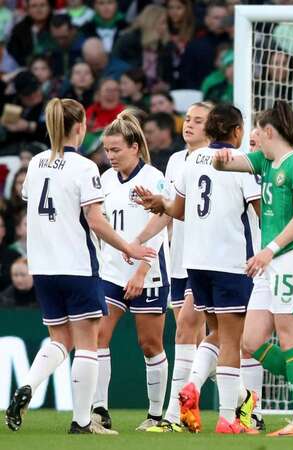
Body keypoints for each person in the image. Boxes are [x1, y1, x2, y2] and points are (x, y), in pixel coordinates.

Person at [4, 98, 154, 434]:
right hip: (77, 265)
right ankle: (83, 421)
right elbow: (95, 220)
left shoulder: (38, 163)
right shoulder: (85, 167)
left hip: (42, 267)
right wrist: (128, 245)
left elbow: (31, 202)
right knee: (88, 343)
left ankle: (27, 384)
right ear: (80, 127)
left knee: (60, 339)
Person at [135, 103, 261, 434]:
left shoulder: (191, 161)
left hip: (196, 263)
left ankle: (190, 389)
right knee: (233, 339)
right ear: (236, 131)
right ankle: (227, 417)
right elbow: (264, 213)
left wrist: (159, 203)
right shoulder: (240, 164)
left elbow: (178, 210)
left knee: (216, 333)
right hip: (232, 263)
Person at [212, 100, 293, 436]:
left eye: (258, 134)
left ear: (269, 132)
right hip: (271, 263)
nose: (254, 140)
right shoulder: (265, 162)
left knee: (291, 339)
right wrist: (220, 162)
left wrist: (269, 248)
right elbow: (230, 164)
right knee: (251, 341)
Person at [89, 110, 171, 433]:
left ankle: (154, 415)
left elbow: (164, 224)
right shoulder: (104, 181)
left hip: (147, 270)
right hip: (110, 271)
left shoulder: (154, 178)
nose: (110, 156)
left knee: (149, 344)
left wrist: (141, 269)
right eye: (107, 150)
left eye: (116, 150)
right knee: (97, 338)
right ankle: (99, 410)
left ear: (135, 147)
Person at [140, 101, 212, 433]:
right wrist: (140, 242)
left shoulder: (221, 162)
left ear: (212, 128)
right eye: (188, 119)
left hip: (209, 261)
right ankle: (244, 403)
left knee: (185, 332)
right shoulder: (174, 160)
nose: (190, 125)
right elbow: (168, 212)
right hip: (179, 261)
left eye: (199, 121)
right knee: (206, 345)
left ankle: (173, 416)